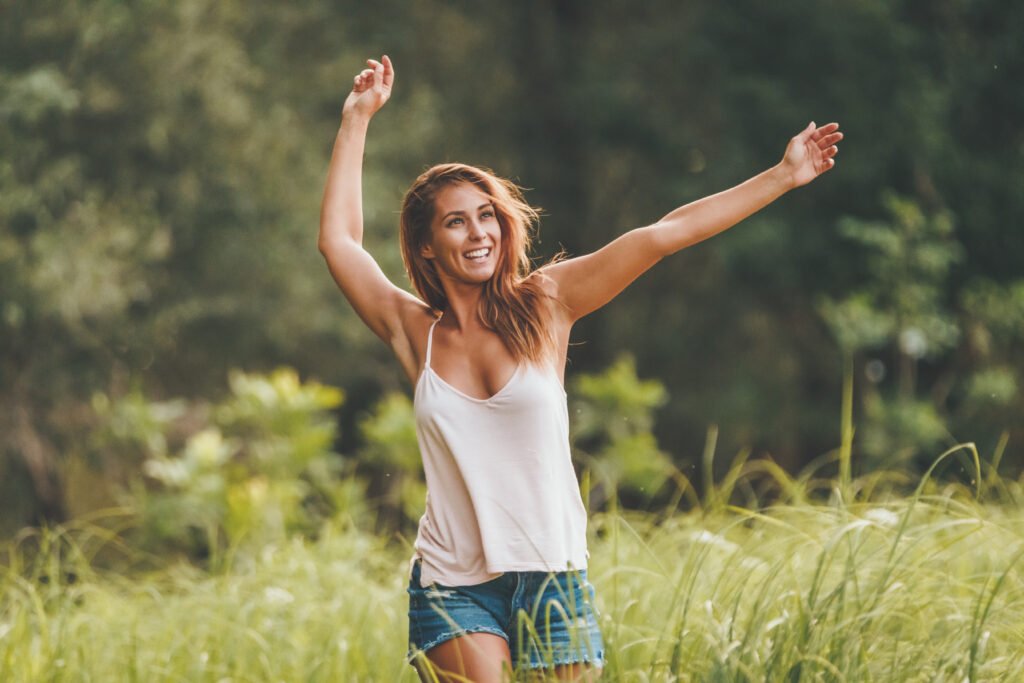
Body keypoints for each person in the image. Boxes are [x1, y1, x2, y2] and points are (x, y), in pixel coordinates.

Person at [318, 55, 841, 683]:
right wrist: (356, 120)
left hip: (553, 572)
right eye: (456, 222)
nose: (478, 232)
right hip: (451, 584)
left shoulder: (546, 302)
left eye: (486, 215)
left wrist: (782, 177)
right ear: (428, 244)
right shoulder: (414, 333)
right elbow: (340, 243)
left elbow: (661, 235)